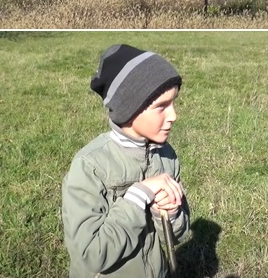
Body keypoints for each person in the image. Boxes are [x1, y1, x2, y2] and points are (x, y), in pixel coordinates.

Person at [62, 44, 191, 277]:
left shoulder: (166, 155)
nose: (174, 115)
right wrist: (139, 195)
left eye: (174, 103)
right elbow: (92, 255)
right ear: (129, 108)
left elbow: (177, 237)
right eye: (161, 106)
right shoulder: (90, 166)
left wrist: (171, 213)